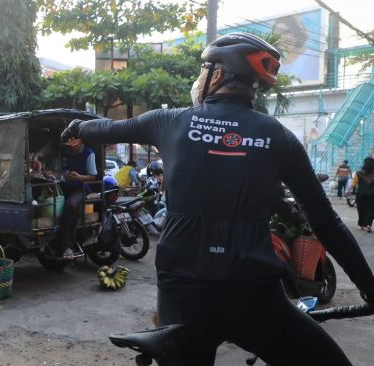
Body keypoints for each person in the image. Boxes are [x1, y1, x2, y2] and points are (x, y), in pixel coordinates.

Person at [61, 32, 374, 365]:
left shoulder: (169, 121)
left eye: (202, 70)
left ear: (219, 73)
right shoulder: (279, 137)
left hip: (181, 291)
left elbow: (108, 128)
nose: (198, 80)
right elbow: (326, 222)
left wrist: (76, 127)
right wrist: (368, 285)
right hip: (253, 294)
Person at [58, 137, 97, 259]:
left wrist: (80, 177)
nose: (70, 142)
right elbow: (61, 170)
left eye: (73, 140)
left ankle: (67, 245)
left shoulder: (89, 153)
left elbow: (93, 176)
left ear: (80, 140)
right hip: (65, 185)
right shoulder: (65, 152)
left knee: (70, 205)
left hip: (81, 188)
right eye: (69, 140)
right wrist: (65, 174)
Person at [347, 158, 374, 232]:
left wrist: (348, 191)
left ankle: (362, 225)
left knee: (361, 209)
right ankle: (368, 224)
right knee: (370, 209)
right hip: (372, 195)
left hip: (360, 194)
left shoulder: (358, 173)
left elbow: (354, 183)